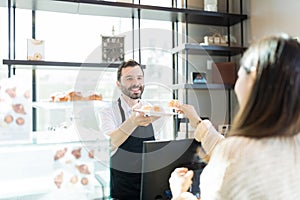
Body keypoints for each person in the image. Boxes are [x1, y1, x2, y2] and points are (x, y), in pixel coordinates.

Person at [169, 34, 300, 200]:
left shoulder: (236, 155)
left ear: (253, 76)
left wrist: (180, 194)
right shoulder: (292, 143)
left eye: (240, 72)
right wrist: (196, 121)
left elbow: (234, 158)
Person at [99, 59, 161, 200]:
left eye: (139, 78)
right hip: (123, 191)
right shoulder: (108, 112)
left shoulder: (151, 109)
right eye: (129, 78)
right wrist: (132, 121)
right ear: (118, 84)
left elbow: (157, 148)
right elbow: (108, 145)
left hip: (149, 189)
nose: (136, 83)